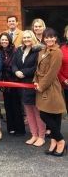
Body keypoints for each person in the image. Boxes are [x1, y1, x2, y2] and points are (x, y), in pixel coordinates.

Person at [34, 28, 66, 157]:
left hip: (51, 87)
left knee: (47, 115)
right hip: (42, 85)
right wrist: (35, 81)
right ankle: (54, 142)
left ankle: (61, 141)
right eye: (47, 37)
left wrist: (41, 86)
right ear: (44, 38)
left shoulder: (57, 52)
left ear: (55, 38)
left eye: (52, 37)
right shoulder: (43, 51)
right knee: (51, 116)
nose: (49, 39)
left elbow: (52, 73)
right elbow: (38, 69)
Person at [12, 30, 45, 147]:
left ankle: (41, 136)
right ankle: (34, 134)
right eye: (24, 38)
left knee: (37, 112)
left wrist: (23, 72)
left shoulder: (38, 51)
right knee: (28, 112)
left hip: (33, 84)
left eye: (28, 37)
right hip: (22, 85)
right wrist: (16, 71)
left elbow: (37, 67)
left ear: (33, 38)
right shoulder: (19, 50)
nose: (26, 39)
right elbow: (14, 63)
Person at [0, 32, 25, 135]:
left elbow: (15, 65)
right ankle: (11, 127)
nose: (4, 41)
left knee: (16, 106)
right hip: (4, 82)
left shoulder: (15, 50)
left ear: (9, 40)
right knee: (7, 105)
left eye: (5, 40)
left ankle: (20, 129)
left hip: (14, 81)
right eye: (2, 40)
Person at [58, 25, 68, 111]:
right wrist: (64, 79)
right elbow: (57, 67)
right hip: (66, 85)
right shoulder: (61, 49)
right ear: (65, 34)